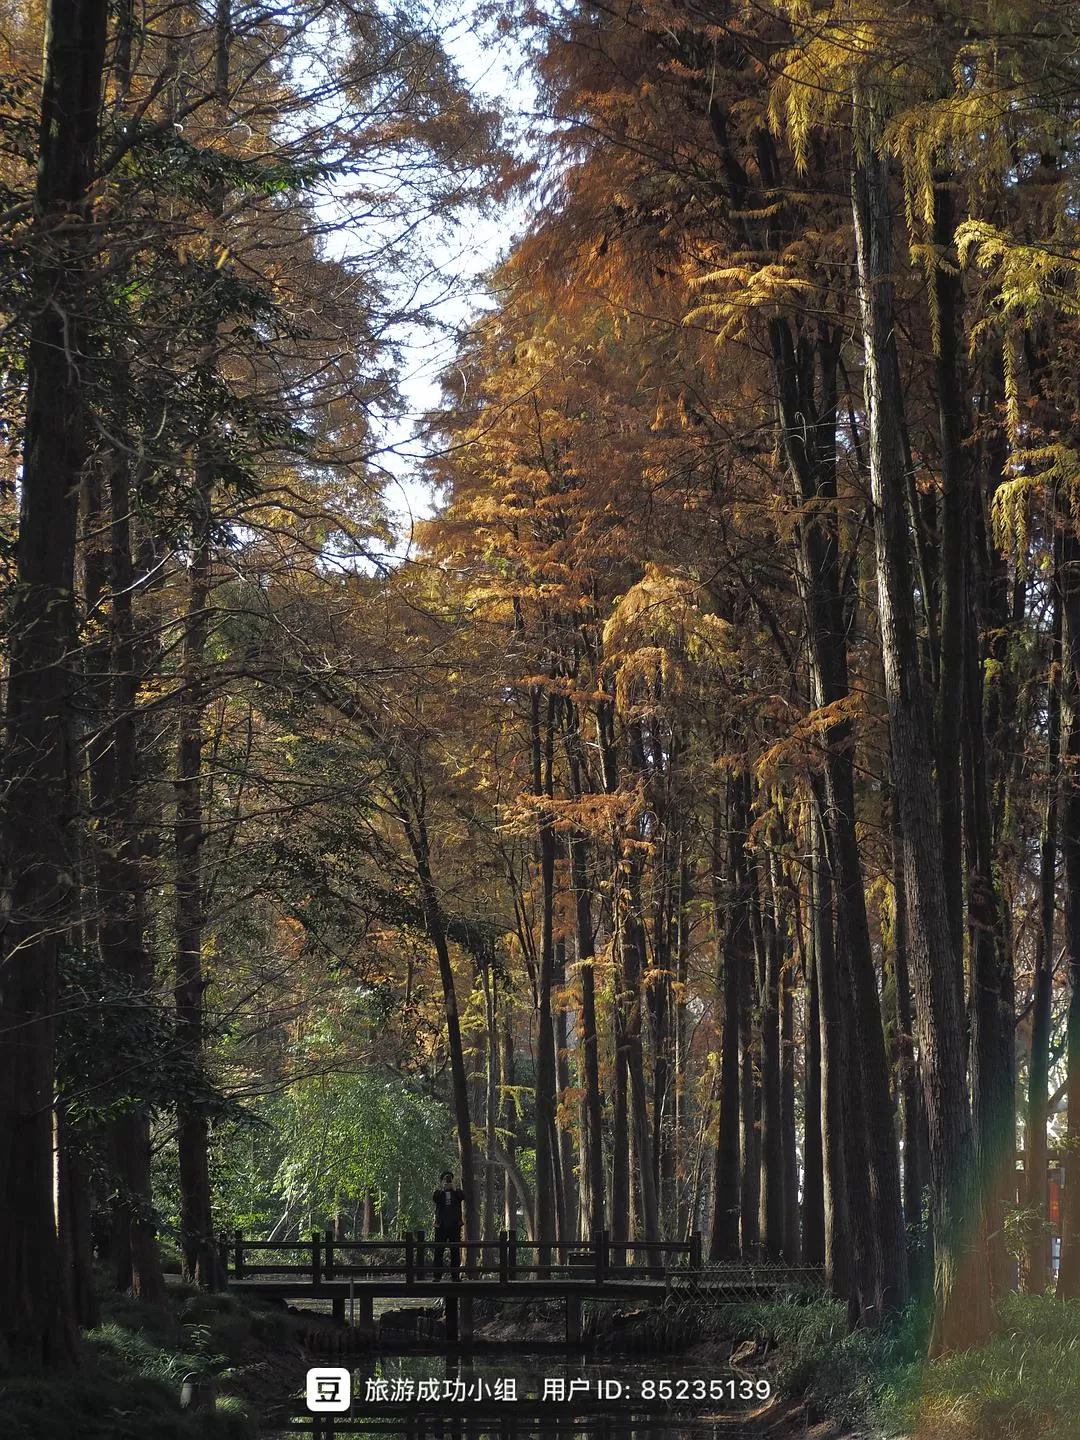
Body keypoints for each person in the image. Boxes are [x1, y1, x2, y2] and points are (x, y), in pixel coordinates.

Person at [432, 1170, 466, 1280]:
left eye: (449, 1180)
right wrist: (443, 1189)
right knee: (438, 1252)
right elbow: (435, 1198)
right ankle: (437, 1276)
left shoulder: (456, 1193)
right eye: (446, 1181)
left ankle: (455, 1276)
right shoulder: (438, 1193)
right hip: (441, 1227)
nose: (448, 1182)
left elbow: (463, 1196)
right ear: (442, 1182)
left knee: (455, 1252)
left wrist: (454, 1188)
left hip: (454, 1226)